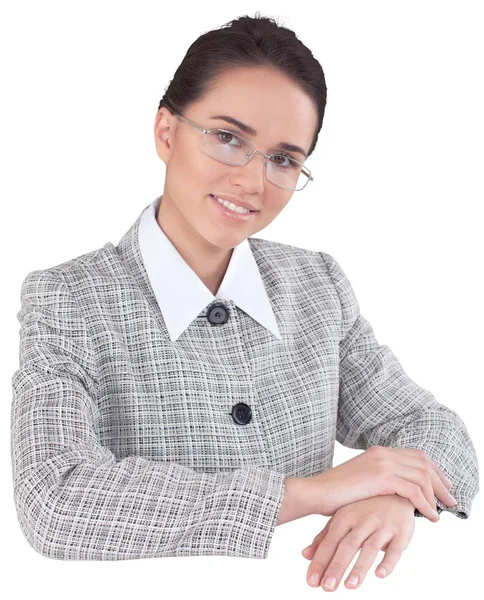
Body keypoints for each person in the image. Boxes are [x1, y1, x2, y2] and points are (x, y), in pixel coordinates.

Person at [11, 11, 478, 589]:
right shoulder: (70, 300)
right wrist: (309, 494)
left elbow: (432, 428)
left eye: (284, 159)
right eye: (228, 138)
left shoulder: (316, 286)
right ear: (166, 131)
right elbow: (54, 502)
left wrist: (393, 500)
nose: (253, 182)